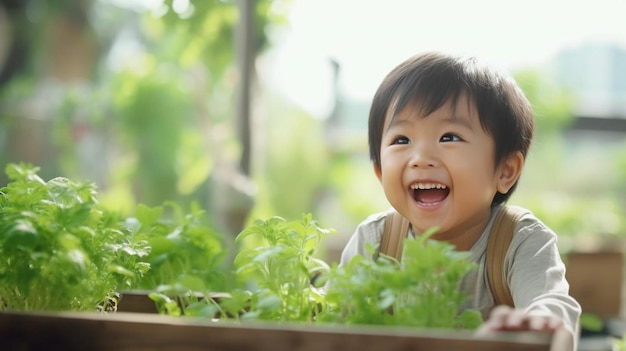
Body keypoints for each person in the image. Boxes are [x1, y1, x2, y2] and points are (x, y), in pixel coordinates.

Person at [338, 51, 581, 349]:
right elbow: (336, 323)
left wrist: (541, 323)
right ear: (379, 170)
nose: (421, 158)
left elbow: (552, 302)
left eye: (449, 137)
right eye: (402, 140)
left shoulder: (519, 241)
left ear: (505, 170)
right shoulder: (375, 241)